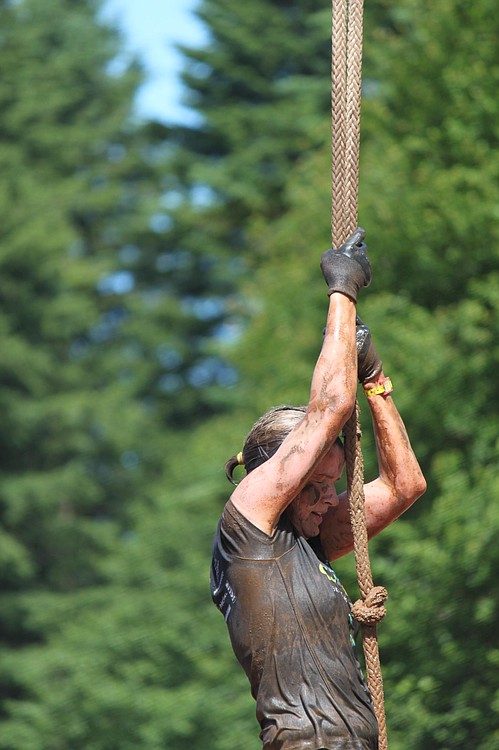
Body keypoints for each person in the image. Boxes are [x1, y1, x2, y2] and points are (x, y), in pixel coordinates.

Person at [210, 228, 426, 750]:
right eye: (318, 488)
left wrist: (375, 379)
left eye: (334, 485)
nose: (332, 499)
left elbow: (404, 486)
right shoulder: (250, 532)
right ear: (279, 480)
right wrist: (342, 290)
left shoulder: (308, 543)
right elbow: (328, 408)